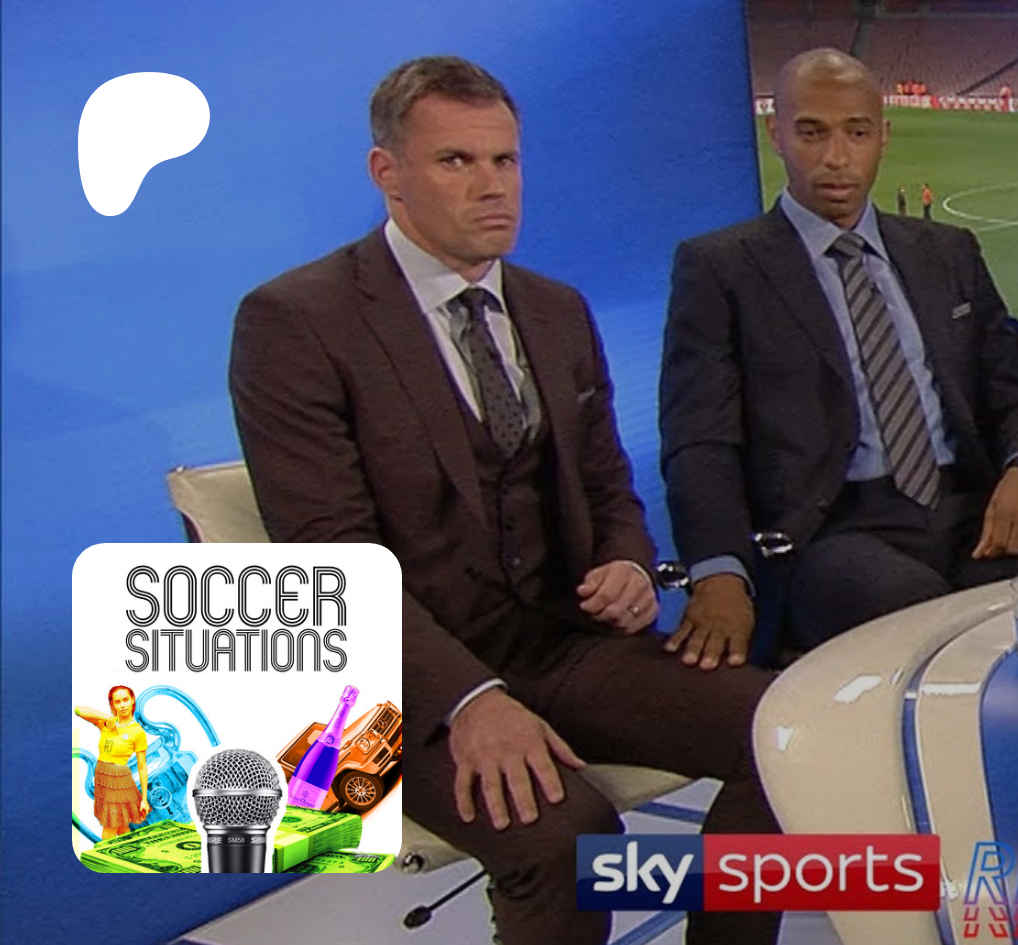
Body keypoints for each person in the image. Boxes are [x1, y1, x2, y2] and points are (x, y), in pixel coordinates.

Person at [229, 56, 778, 945]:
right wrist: (469, 699)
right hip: (398, 688)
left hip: (560, 644)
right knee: (567, 836)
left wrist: (628, 560)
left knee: (789, 733)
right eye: (456, 161)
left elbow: (606, 483)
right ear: (387, 173)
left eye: (505, 161)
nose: (493, 187)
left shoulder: (556, 310)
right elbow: (333, 563)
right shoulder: (296, 321)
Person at [660, 48, 1018, 661]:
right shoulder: (721, 268)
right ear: (776, 134)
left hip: (969, 517)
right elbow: (700, 442)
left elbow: (1008, 390)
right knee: (928, 623)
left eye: (856, 133)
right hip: (829, 533)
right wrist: (718, 571)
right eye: (812, 132)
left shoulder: (948, 251)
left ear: (883, 136)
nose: (836, 157)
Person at [76, 685, 149, 840]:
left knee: (110, 827)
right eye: (117, 702)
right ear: (112, 704)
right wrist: (105, 716)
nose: (122, 705)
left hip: (118, 780)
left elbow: (142, 767)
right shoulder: (106, 724)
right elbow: (78, 710)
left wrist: (144, 799)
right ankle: (134, 851)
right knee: (122, 827)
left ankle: (103, 854)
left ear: (132, 700)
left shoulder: (138, 732)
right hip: (103, 778)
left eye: (125, 700)